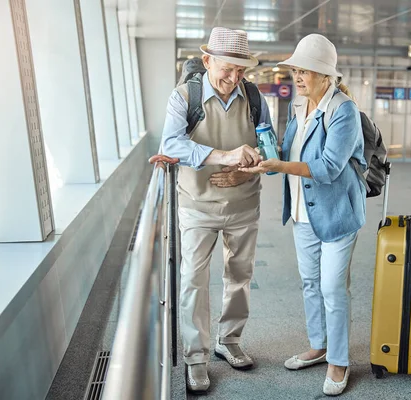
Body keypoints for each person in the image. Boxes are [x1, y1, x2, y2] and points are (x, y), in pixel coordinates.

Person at [240, 34, 366, 396]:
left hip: (337, 214)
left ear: (326, 75)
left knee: (332, 288)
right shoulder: (300, 105)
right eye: (295, 69)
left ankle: (339, 362)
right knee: (310, 283)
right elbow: (286, 150)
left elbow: (328, 167)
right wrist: (264, 157)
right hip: (302, 212)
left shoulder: (343, 111)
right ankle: (319, 344)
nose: (297, 76)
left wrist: (280, 163)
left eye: (305, 70)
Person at [149, 27, 274, 394]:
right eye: (227, 68)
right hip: (196, 207)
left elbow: (270, 147)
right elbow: (171, 143)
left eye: (241, 70)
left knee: (239, 276)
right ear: (207, 61)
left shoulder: (253, 97)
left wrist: (242, 171)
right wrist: (224, 156)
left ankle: (229, 340)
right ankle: (196, 357)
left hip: (244, 205)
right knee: (193, 281)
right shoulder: (184, 97)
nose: (233, 78)